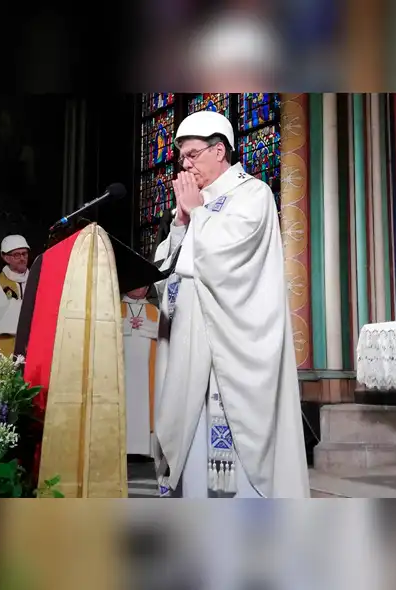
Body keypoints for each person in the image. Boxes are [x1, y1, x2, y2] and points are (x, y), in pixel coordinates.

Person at [153, 110, 310, 498]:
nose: (185, 166)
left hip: (232, 349)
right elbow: (169, 271)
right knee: (192, 441)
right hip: (191, 345)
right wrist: (180, 224)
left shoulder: (252, 194)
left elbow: (228, 259)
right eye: (182, 158)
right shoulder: (197, 202)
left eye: (191, 155)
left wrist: (196, 214)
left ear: (219, 150)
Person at [122, 285, 159, 458]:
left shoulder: (154, 310)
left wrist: (145, 327)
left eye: (144, 285)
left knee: (145, 402)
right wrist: (127, 325)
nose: (139, 288)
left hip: (146, 371)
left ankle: (146, 450)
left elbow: (163, 331)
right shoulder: (115, 306)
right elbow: (106, 329)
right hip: (123, 370)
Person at [0, 234, 30, 356]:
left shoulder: (36, 279)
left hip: (30, 344)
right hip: (2, 343)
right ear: (6, 257)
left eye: (24, 254)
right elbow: (2, 313)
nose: (22, 258)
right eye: (17, 255)